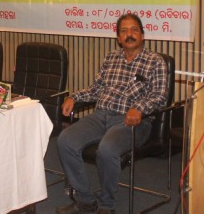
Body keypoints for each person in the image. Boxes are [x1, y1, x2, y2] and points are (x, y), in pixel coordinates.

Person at [56, 13, 168, 214]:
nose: (129, 34)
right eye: (124, 31)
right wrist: (74, 97)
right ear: (118, 38)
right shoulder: (111, 58)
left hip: (133, 122)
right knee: (65, 140)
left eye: (134, 30)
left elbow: (160, 96)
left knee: (107, 149)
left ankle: (107, 205)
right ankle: (85, 199)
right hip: (101, 116)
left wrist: (139, 108)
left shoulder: (155, 61)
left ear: (142, 35)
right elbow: (96, 90)